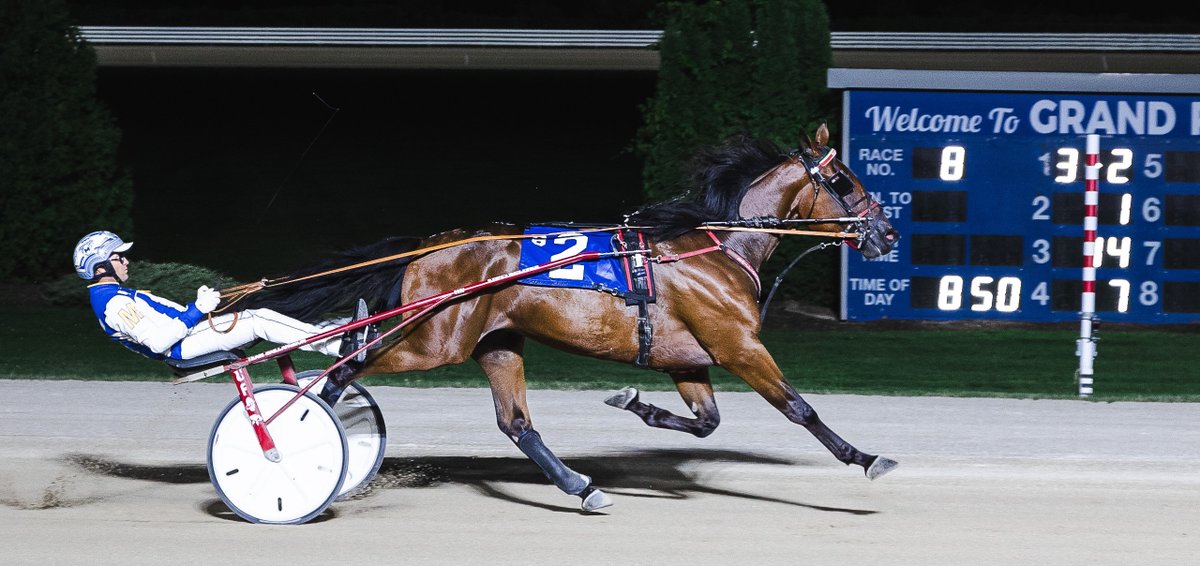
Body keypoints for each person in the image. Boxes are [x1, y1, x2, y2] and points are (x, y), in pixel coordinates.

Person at [73, 230, 370, 363]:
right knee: (258, 320)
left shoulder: (114, 295)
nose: (126, 261)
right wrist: (196, 310)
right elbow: (158, 342)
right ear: (99, 267)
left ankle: (342, 328)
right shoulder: (114, 304)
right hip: (181, 348)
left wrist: (197, 305)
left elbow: (164, 318)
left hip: (189, 335)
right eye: (118, 257)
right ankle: (338, 345)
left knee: (262, 308)